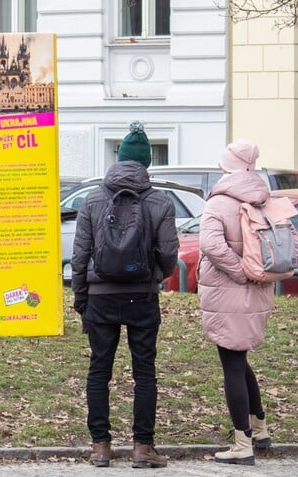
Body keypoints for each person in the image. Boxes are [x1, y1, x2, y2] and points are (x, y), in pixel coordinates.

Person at [71, 121, 179, 469]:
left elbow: (80, 253)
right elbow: (168, 252)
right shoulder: (160, 201)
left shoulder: (93, 199)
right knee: (144, 370)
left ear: (118, 159)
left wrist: (81, 296)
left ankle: (100, 446)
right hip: (142, 296)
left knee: (99, 370)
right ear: (147, 163)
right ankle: (142, 447)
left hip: (100, 296)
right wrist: (157, 276)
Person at [197, 140, 298, 465]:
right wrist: (252, 271)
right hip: (258, 292)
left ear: (227, 166)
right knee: (239, 361)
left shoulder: (220, 202)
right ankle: (260, 429)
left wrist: (239, 271)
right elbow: (293, 244)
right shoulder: (265, 199)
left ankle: (242, 443)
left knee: (231, 364)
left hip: (230, 291)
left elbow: (210, 244)